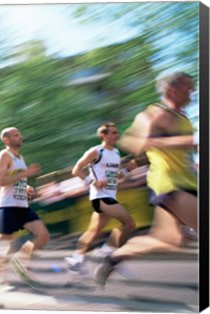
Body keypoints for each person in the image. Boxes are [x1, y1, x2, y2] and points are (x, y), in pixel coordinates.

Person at [94, 72, 198, 286]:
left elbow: (184, 150)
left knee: (168, 241)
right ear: (171, 90)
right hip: (170, 184)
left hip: (187, 181)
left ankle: (113, 258)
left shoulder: (183, 117)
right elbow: (133, 142)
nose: (193, 91)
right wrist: (185, 140)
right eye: (188, 87)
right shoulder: (155, 113)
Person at [64, 122, 137, 274]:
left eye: (117, 132)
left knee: (93, 231)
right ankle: (106, 251)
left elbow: (116, 177)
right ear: (103, 136)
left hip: (110, 194)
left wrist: (127, 170)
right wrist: (94, 182)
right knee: (129, 223)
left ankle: (76, 259)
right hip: (100, 196)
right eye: (113, 133)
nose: (117, 135)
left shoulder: (116, 153)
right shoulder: (96, 151)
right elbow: (76, 170)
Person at [0, 127, 50, 280]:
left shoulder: (20, 157)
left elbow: (17, 180)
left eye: (20, 134)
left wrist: (27, 187)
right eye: (16, 135)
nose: (20, 137)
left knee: (43, 236)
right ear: (6, 140)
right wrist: (25, 173)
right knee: (6, 244)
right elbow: (1, 181)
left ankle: (21, 261)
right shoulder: (4, 155)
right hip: (7, 206)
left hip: (22, 205)